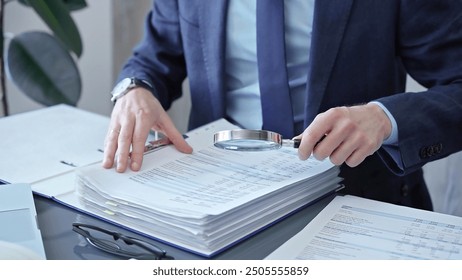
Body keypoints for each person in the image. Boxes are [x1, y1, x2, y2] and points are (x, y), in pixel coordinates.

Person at [102, 0, 462, 211]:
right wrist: (134, 90)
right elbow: (153, 56)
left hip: (356, 199)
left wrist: (383, 119)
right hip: (213, 200)